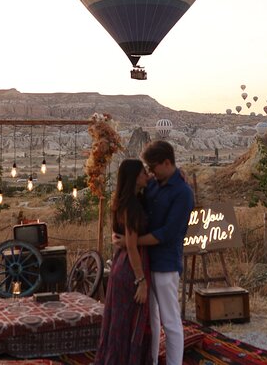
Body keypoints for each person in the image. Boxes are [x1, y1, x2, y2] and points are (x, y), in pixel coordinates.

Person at [114, 140, 195, 365]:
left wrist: (131, 242)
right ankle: (150, 359)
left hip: (166, 263)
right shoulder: (155, 184)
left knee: (170, 321)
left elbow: (167, 233)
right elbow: (133, 191)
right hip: (147, 261)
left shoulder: (183, 193)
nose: (150, 172)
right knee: (151, 319)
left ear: (166, 163)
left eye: (153, 167)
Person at [94, 159, 152, 365]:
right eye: (144, 172)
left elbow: (127, 241)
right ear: (135, 177)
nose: (148, 175)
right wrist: (142, 282)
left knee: (118, 323)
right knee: (128, 324)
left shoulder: (123, 201)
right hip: (130, 269)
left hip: (121, 264)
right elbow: (133, 246)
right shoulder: (132, 207)